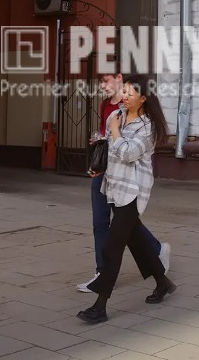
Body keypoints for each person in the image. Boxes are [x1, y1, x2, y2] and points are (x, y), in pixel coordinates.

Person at [77, 76, 176, 325]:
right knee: (138, 241)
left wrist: (114, 131)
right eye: (124, 92)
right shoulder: (116, 116)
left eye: (130, 94)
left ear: (143, 99)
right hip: (113, 188)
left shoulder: (148, 127)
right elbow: (110, 149)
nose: (124, 97)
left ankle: (100, 306)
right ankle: (163, 282)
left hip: (133, 192)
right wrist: (99, 167)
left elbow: (129, 153)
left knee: (112, 246)